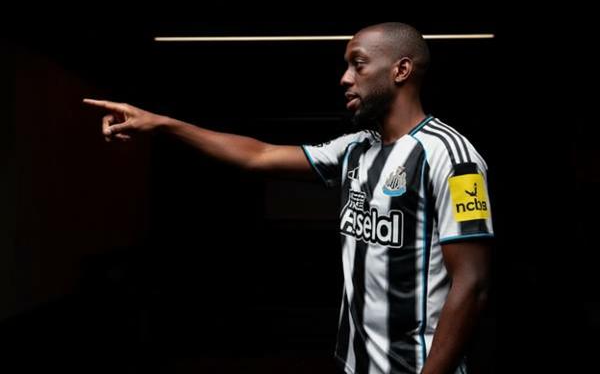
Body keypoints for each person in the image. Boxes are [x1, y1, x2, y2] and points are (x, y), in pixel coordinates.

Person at [84, 22, 493, 374]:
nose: (345, 78)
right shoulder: (355, 149)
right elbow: (258, 155)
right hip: (356, 363)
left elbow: (471, 283)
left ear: (401, 70)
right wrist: (161, 123)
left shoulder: (452, 158)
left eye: (358, 64)